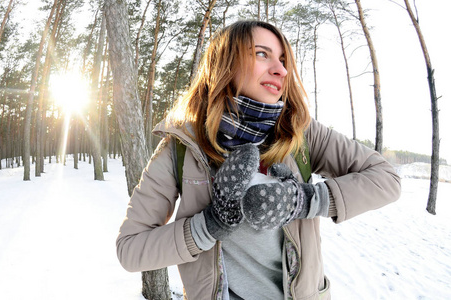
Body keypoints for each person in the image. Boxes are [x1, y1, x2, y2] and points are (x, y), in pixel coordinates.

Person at [116, 20, 401, 299]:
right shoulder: (181, 147)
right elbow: (130, 249)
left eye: (283, 59)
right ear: (225, 63)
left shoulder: (302, 134)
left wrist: (302, 200)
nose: (280, 70)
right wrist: (209, 225)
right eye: (262, 54)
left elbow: (387, 178)